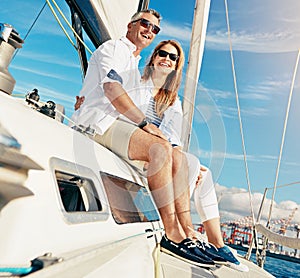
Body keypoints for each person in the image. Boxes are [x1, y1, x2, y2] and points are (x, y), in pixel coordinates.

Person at [70, 9, 215, 268]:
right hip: (99, 124)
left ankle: (186, 231)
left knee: (175, 154)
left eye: (155, 28)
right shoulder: (115, 49)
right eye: (145, 24)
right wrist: (145, 124)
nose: (149, 30)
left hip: (115, 126)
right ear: (130, 25)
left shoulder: (134, 67)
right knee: (159, 148)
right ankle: (171, 232)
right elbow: (111, 89)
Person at [134, 39, 249, 272]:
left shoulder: (171, 99)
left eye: (173, 57)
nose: (167, 59)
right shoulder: (137, 81)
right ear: (154, 57)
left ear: (177, 66)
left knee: (199, 168)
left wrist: (191, 168)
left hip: (158, 147)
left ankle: (217, 243)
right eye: (163, 53)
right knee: (186, 161)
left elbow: (172, 136)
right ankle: (183, 231)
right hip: (137, 142)